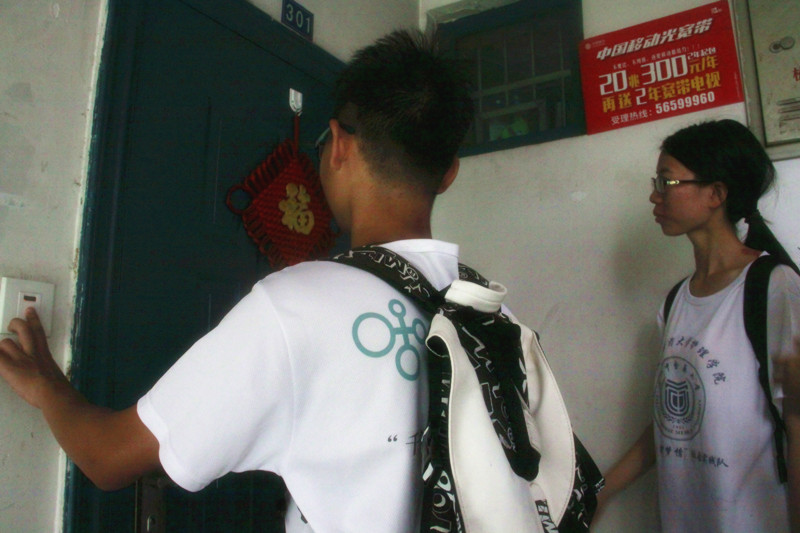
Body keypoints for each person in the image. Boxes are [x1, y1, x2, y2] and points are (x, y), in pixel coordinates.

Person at [0, 29, 474, 532]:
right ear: (449, 173)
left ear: (338, 145)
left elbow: (108, 457)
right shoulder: (492, 317)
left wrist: (46, 386)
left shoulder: (297, 308)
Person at [598, 119, 800, 532]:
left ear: (716, 194)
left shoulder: (774, 287)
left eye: (667, 181)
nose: (654, 194)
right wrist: (600, 492)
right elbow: (675, 422)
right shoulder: (676, 301)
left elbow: (798, 423)